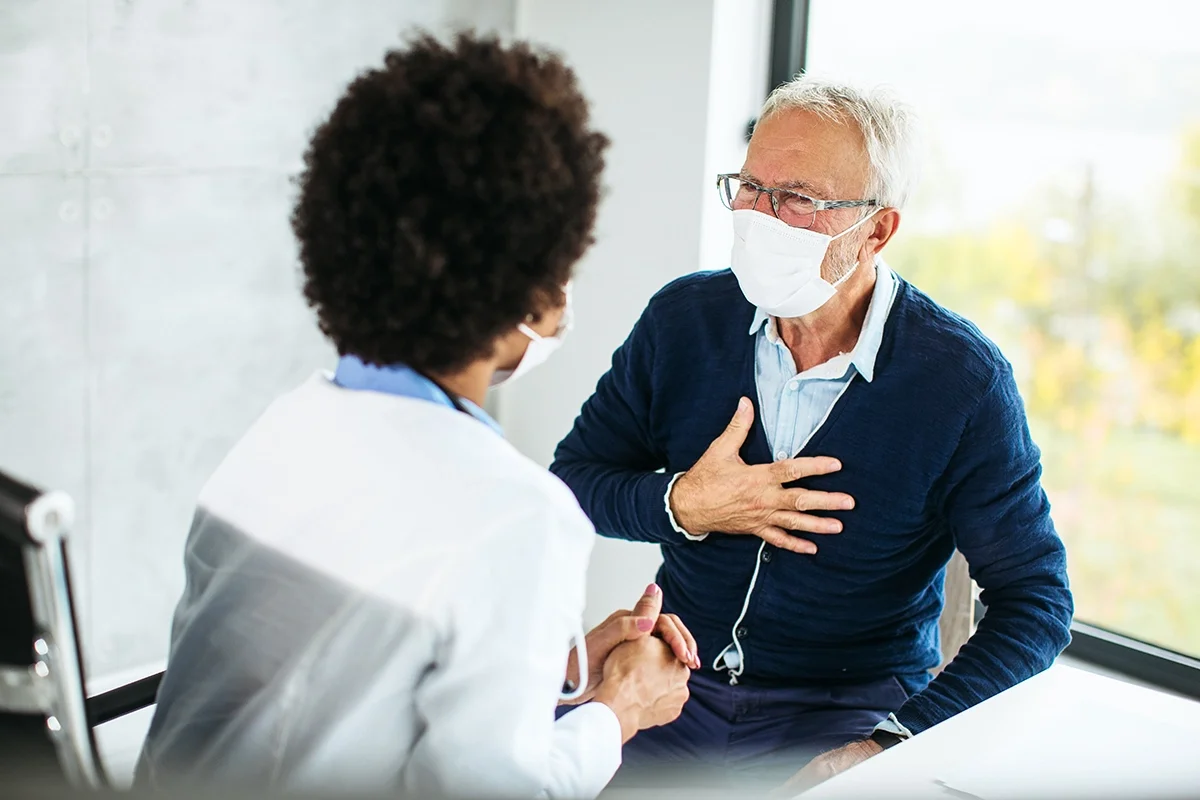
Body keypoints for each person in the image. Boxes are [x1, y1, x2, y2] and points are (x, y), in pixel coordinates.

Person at [136, 33, 697, 798]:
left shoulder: (286, 427)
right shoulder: (517, 515)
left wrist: (555, 663)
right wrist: (617, 709)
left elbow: (331, 675)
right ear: (528, 290)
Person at [550, 74, 1074, 790]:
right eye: (749, 186)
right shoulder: (683, 321)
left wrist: (891, 743)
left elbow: (1037, 602)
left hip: (848, 710)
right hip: (675, 678)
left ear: (878, 230)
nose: (758, 217)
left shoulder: (962, 382)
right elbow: (575, 481)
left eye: (797, 198)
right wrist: (684, 505)